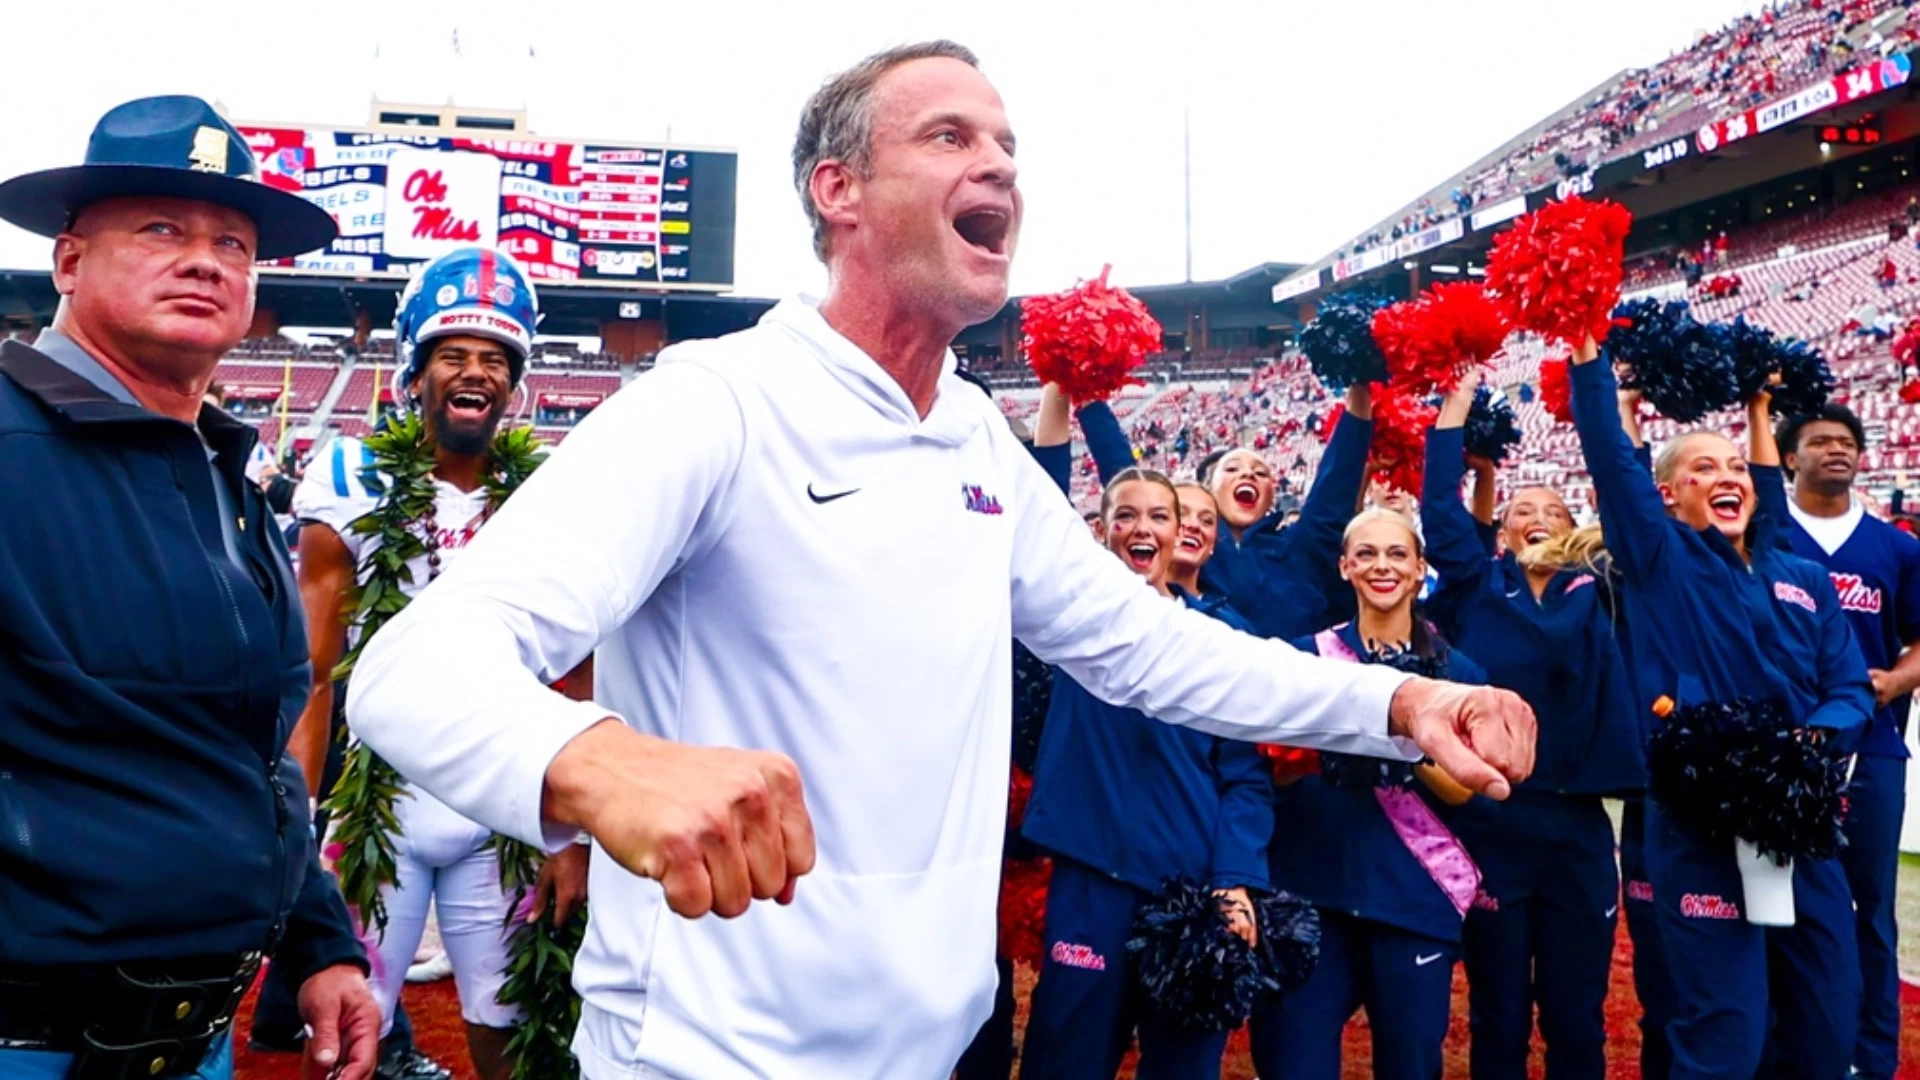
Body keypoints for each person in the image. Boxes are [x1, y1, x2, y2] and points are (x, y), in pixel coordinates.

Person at [345, 42, 1536, 1079]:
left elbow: (1145, 648)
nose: (1003, 165)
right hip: (717, 1057)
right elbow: (412, 668)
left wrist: (1398, 697)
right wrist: (596, 763)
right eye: (951, 135)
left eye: (1010, 144)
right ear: (840, 191)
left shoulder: (970, 431)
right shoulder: (717, 403)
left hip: (935, 1043)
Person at [0, 94, 378, 1080]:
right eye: (162, 228)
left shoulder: (224, 475)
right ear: (70, 260)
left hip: (193, 1036)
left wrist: (319, 943)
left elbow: (254, 754)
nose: (206, 259)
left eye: (234, 242)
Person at [289, 247, 591, 1080]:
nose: (475, 373)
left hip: (504, 804)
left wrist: (572, 830)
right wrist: (294, 812)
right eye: (454, 355)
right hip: (375, 802)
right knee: (343, 1030)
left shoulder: (549, 491)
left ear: (516, 383)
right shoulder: (352, 477)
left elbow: (578, 668)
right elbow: (317, 668)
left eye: (496, 360)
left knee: (515, 1029)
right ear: (414, 373)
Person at [1568, 339, 1870, 1079]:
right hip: (1698, 824)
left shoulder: (1804, 577)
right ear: (1668, 496)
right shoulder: (1660, 561)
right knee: (1722, 1027)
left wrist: (1807, 744)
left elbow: (1851, 691)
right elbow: (1614, 465)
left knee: (1830, 1015)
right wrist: (1590, 367)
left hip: (1802, 820)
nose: (1725, 476)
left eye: (1736, 466)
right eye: (1703, 468)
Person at [1422, 370, 1643, 1080]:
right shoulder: (1479, 585)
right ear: (1505, 531)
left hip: (1579, 826)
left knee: (1576, 1017)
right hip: (1495, 821)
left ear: (1575, 526)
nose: (1536, 514)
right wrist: (1456, 406)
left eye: (1553, 506)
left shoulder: (1604, 585)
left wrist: (1626, 420)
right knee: (1500, 1013)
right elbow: (1440, 507)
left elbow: (1631, 503)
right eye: (1521, 508)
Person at [1019, 468, 1270, 1079]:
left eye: (1159, 515)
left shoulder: (1221, 638)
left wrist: (1233, 880)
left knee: (1183, 1068)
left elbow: (1246, 778)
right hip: (1090, 884)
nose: (1142, 528)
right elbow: (1035, 499)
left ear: (1179, 532)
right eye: (1125, 515)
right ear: (1101, 531)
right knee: (1065, 1062)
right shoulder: (1063, 623)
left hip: (1190, 896)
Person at [1249, 508, 1487, 1080]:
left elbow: (1466, 790)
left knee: (1410, 1065)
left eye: (1397, 554)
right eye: (1368, 554)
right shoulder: (1304, 659)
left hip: (1411, 900)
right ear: (1345, 567)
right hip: (1311, 896)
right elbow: (1268, 774)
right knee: (1293, 1062)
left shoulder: (1457, 672)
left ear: (1418, 569)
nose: (1383, 565)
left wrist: (1396, 730)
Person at [1757, 404, 1920, 1080]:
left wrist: (1889, 682)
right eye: (1819, 440)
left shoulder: (1899, 548)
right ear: (1788, 457)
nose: (1837, 450)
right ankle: (1778, 1053)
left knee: (1871, 912)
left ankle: (1871, 1058)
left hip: (1871, 750)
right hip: (1773, 751)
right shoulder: (1765, 536)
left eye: (1848, 441)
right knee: (1772, 908)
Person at [1203, 385, 1374, 638]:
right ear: (1208, 490)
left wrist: (1360, 391)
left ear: (1272, 494)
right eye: (1231, 469)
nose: (1248, 473)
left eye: (1261, 473)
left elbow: (1334, 487)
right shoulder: (1190, 551)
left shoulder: (1298, 546)